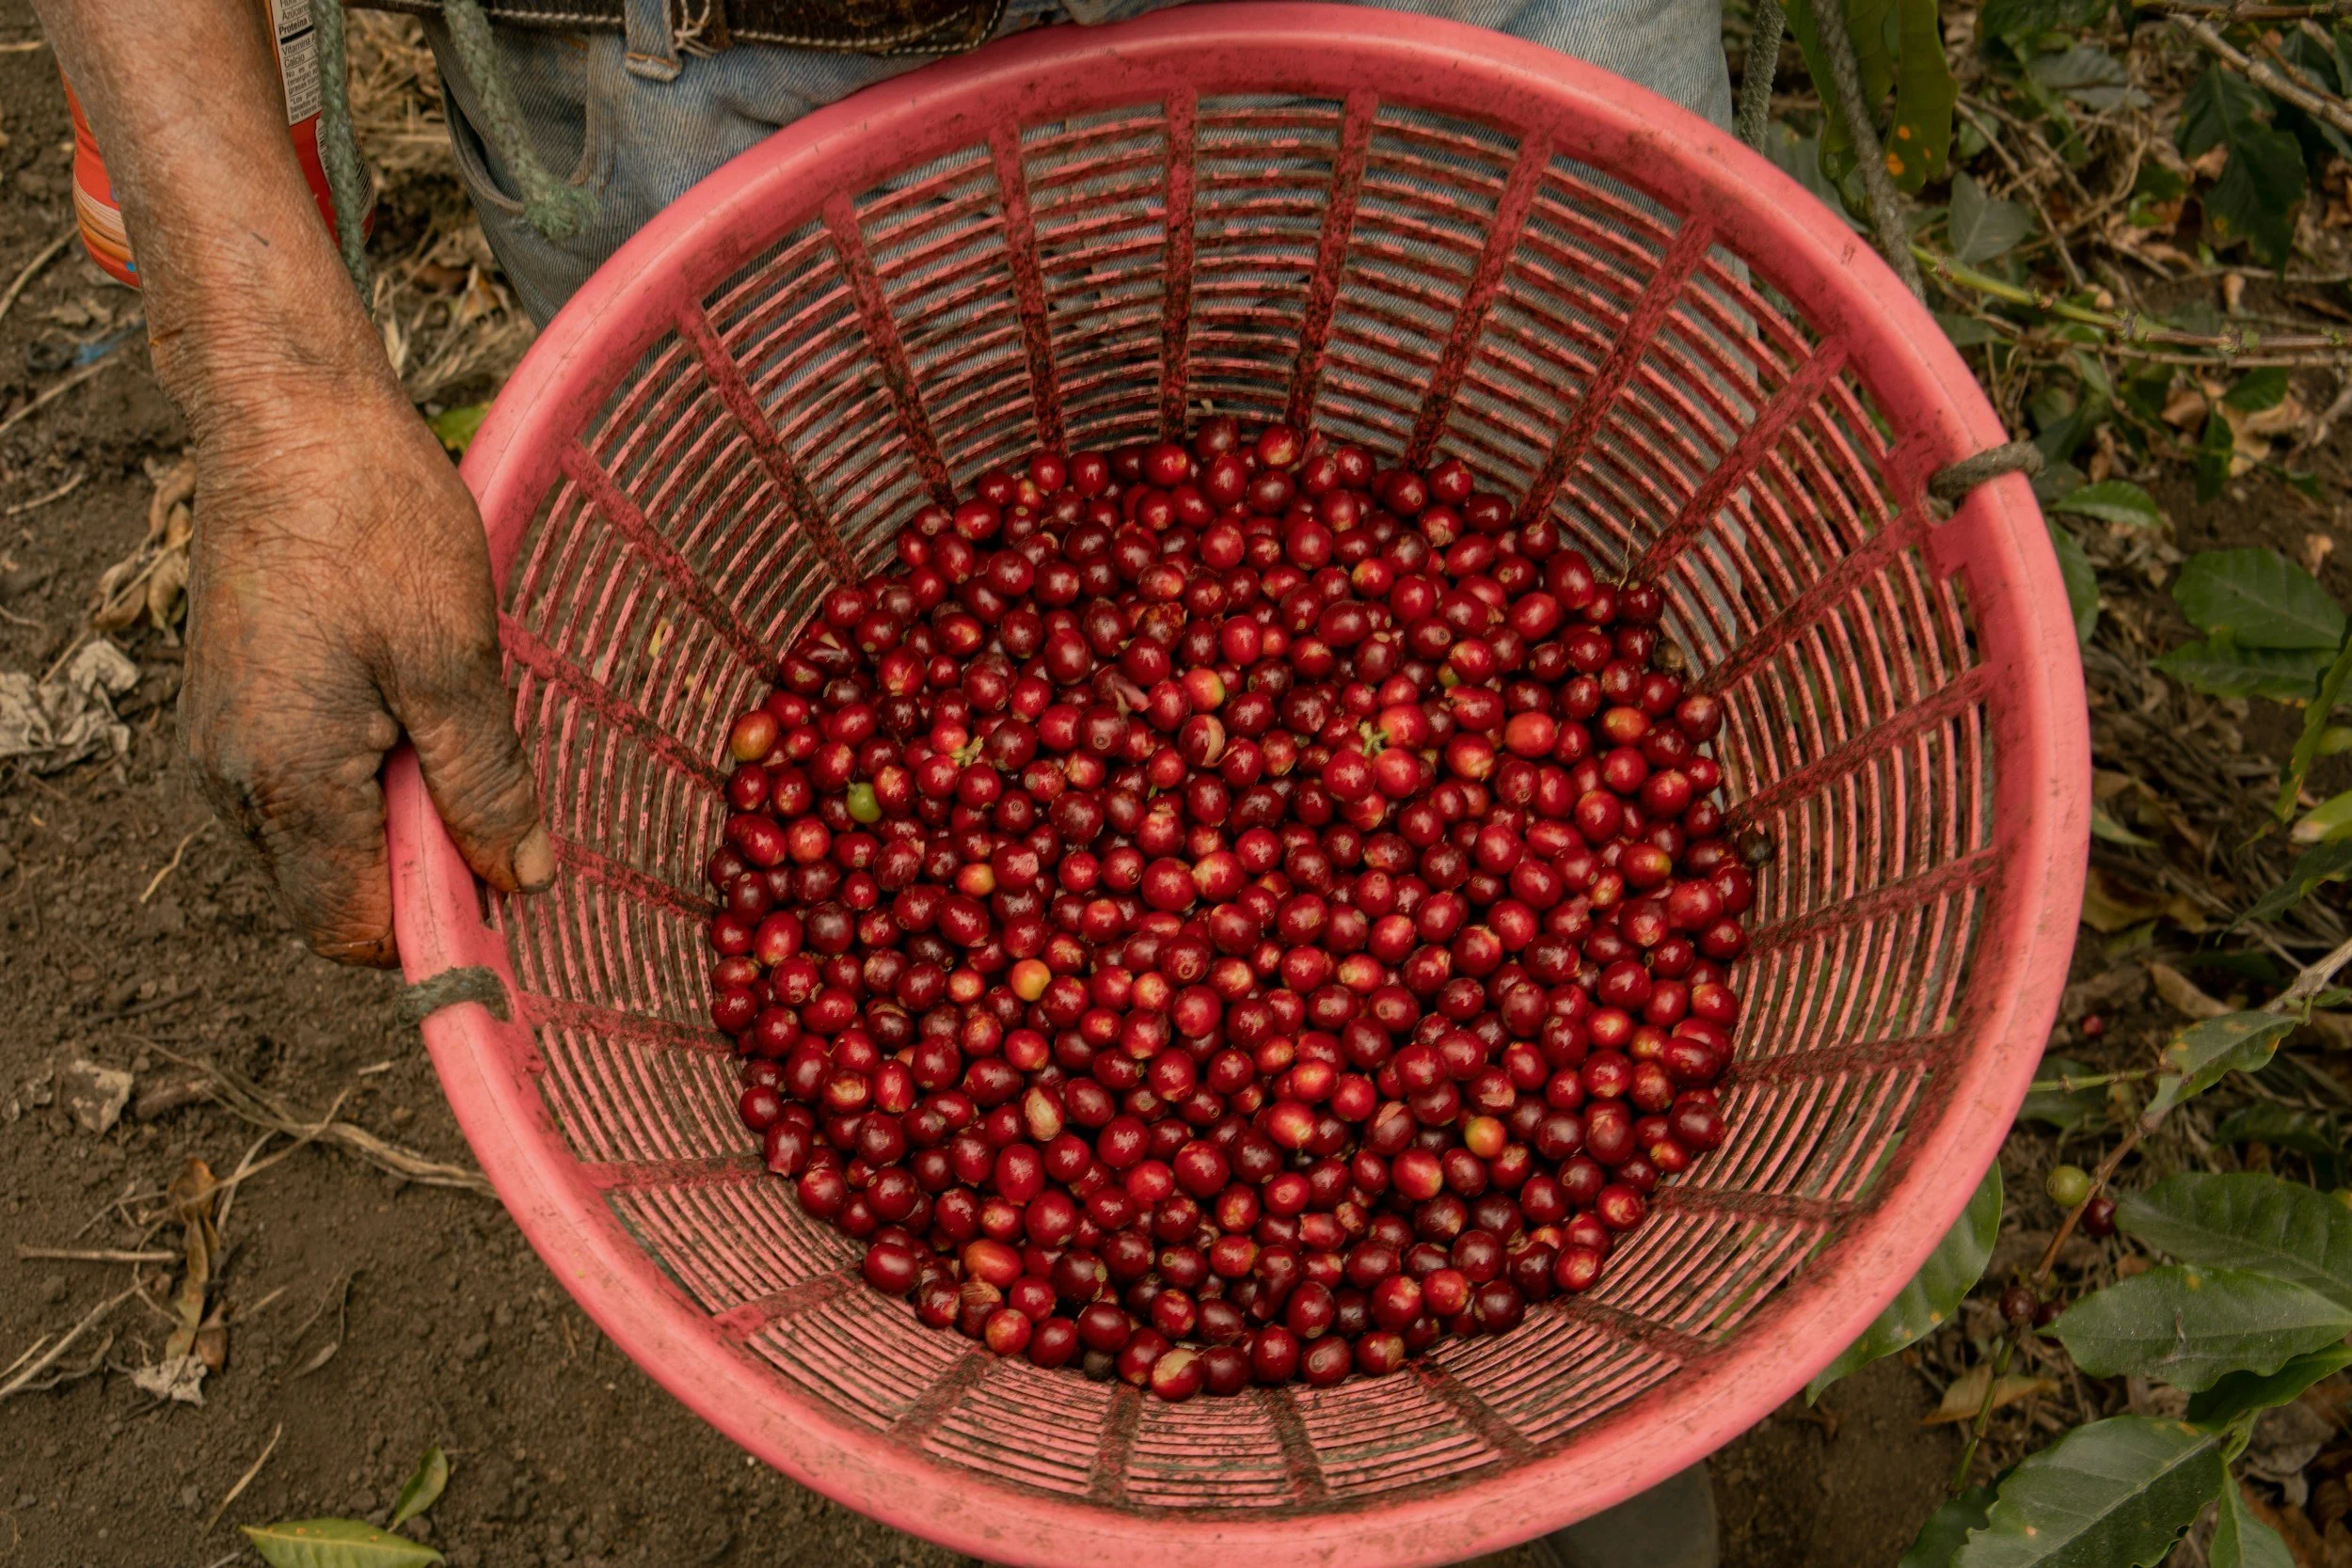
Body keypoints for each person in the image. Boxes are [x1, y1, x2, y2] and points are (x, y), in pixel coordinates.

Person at [35, 2, 1728, 1560]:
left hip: (1491, 20)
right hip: (722, 63)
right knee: (1067, 1476)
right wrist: (271, 386)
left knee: (1614, 1429)